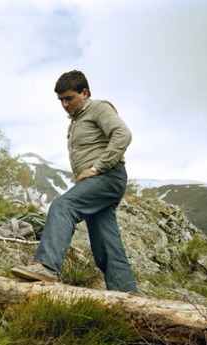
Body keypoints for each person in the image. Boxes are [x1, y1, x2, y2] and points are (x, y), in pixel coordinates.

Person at [11, 70, 138, 293]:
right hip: (99, 183)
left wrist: (97, 168)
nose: (65, 104)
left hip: (108, 176)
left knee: (63, 206)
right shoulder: (77, 120)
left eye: (69, 98)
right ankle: (127, 294)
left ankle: (47, 266)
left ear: (85, 93)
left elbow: (123, 134)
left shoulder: (98, 108)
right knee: (106, 245)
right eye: (61, 100)